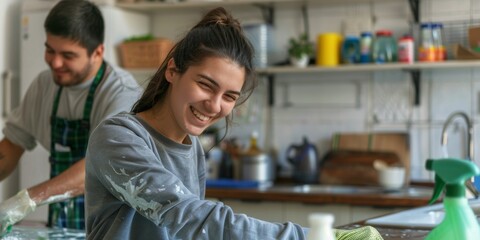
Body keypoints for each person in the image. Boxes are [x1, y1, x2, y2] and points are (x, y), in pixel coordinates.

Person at [85, 7, 308, 239]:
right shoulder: (117, 137)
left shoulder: (193, 149)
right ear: (172, 71)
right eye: (205, 85)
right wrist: (306, 236)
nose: (214, 106)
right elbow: (190, 217)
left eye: (229, 96)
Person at [0, 0, 141, 234]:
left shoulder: (121, 93)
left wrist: (24, 201)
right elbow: (11, 146)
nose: (55, 63)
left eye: (68, 55)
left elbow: (99, 166)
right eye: (50, 50)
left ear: (97, 52)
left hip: (113, 231)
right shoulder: (44, 86)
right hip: (61, 227)